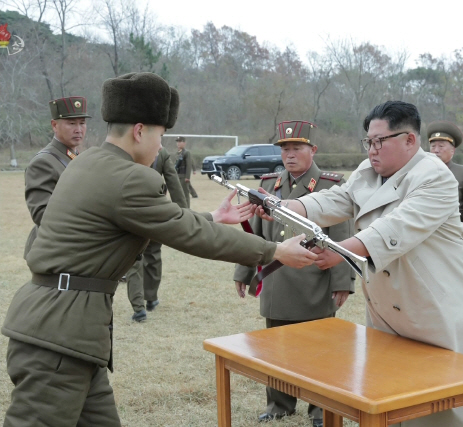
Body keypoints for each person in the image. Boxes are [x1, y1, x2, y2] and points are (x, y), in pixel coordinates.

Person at [1, 72, 317, 427]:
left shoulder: (88, 163)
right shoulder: (130, 177)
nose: (159, 147)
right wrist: (273, 250)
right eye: (160, 136)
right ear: (139, 131)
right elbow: (188, 235)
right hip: (58, 339)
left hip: (66, 335)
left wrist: (213, 214)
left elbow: (157, 221)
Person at [259, 101, 463, 427]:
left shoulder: (434, 177)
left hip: (438, 308)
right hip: (391, 310)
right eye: (368, 142)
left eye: (379, 141)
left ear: (410, 140)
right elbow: (337, 199)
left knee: (442, 404)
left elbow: (394, 229)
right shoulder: (369, 171)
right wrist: (288, 206)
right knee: (390, 399)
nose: (372, 150)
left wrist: (341, 251)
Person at [233, 120, 355, 427]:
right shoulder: (269, 184)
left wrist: (343, 281)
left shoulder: (331, 186)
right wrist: (243, 271)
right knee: (276, 347)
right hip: (276, 280)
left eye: (297, 148)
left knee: (319, 349)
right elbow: (255, 235)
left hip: (314, 280)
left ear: (313, 150)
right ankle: (278, 405)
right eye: (285, 148)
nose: (289, 154)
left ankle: (319, 409)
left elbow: (341, 235)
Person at [23, 96, 91, 257]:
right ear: (54, 125)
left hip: (76, 249)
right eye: (71, 123)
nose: (78, 129)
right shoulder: (43, 162)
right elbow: (42, 215)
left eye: (82, 123)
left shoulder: (79, 157)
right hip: (54, 252)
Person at [127, 146, 188, 322]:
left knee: (134, 260)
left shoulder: (126, 148)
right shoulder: (161, 152)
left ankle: (139, 308)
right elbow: (174, 184)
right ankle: (151, 298)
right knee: (153, 255)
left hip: (130, 211)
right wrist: (184, 214)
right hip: (155, 212)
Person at [426, 120, 463, 249]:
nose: (436, 151)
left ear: (452, 150)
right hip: (427, 233)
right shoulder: (421, 172)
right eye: (433, 146)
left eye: (441, 146)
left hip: (454, 234)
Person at [175, 136, 193, 207]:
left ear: (184, 143)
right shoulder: (178, 153)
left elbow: (189, 165)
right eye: (177, 142)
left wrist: (187, 177)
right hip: (178, 175)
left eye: (180, 142)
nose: (178, 143)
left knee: (185, 194)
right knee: (179, 194)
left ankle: (187, 209)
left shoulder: (186, 153)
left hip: (183, 175)